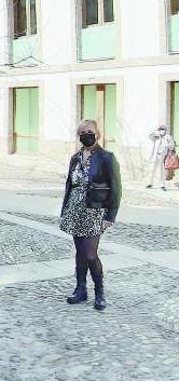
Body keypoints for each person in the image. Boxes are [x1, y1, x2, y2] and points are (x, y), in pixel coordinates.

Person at [60, 119, 121, 311]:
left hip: (95, 211)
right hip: (74, 209)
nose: (86, 134)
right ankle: (80, 289)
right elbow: (69, 186)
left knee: (90, 254)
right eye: (83, 132)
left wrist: (110, 215)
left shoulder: (106, 157)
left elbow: (116, 188)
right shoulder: (75, 158)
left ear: (97, 134)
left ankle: (100, 292)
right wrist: (64, 211)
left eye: (90, 131)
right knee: (79, 252)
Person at [146, 125, 175, 191]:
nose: (163, 130)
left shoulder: (168, 137)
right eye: (161, 129)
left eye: (164, 129)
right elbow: (149, 136)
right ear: (159, 130)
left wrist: (168, 144)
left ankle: (162, 185)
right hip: (155, 155)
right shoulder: (156, 137)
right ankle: (150, 183)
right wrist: (155, 132)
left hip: (163, 156)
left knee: (162, 171)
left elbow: (172, 146)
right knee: (152, 169)